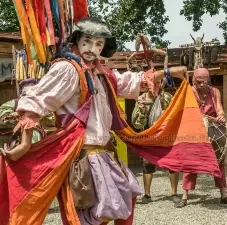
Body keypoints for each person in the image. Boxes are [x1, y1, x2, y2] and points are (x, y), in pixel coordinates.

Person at [2, 17, 186, 225]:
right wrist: (25, 142)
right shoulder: (68, 69)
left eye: (99, 44)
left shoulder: (103, 74)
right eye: (87, 41)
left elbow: (131, 81)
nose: (92, 48)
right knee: (90, 215)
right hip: (82, 156)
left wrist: (170, 71)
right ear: (77, 40)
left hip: (104, 154)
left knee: (124, 198)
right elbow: (38, 100)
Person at [175, 68, 227, 208]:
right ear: (194, 80)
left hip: (212, 130)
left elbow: (219, 108)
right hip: (194, 130)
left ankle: (224, 196)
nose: (203, 84)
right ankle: (185, 197)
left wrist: (221, 115)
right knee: (190, 165)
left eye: (205, 81)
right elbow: (187, 111)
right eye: (199, 81)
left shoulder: (214, 91)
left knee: (218, 163)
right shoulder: (189, 91)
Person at [132, 89, 180, 204]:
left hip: (166, 137)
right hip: (149, 137)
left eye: (158, 83)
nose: (155, 86)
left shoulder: (168, 97)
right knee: (147, 164)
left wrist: (167, 114)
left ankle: (174, 193)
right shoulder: (141, 99)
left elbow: (177, 114)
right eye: (152, 84)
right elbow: (136, 124)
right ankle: (147, 195)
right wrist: (143, 113)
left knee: (172, 163)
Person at [0, 78, 46, 144]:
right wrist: (15, 116)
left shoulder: (40, 104)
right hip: (19, 136)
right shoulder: (15, 103)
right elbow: (4, 115)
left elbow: (51, 119)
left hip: (38, 137)